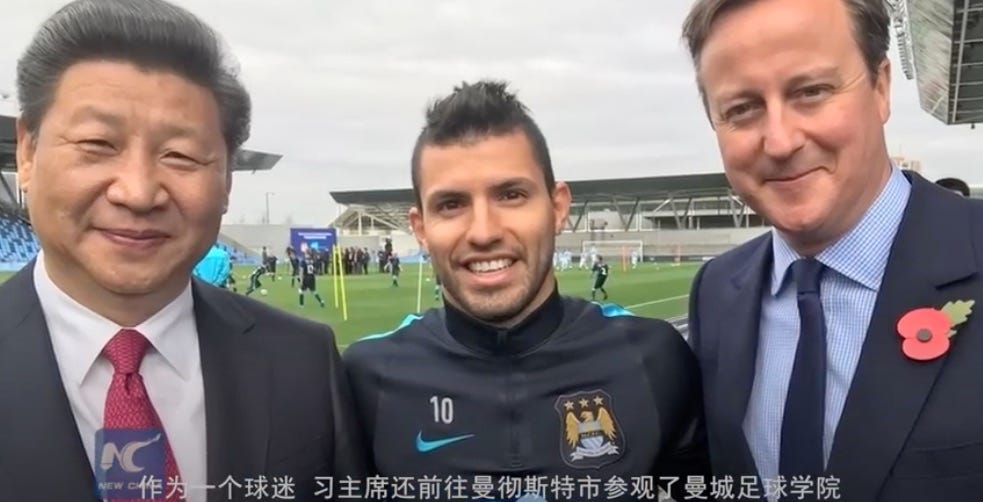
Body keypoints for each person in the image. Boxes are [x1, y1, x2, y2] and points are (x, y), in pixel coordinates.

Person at [0, 1, 365, 500]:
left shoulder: (303, 364)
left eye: (181, 155)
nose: (138, 192)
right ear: (27, 152)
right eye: (97, 144)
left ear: (227, 178)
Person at [343, 80, 709, 501]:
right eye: (451, 204)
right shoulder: (366, 377)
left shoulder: (653, 357)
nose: (484, 232)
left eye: (511, 195)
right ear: (421, 229)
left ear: (557, 208)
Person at [682, 0, 983, 500]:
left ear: (881, 88)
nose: (779, 141)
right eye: (742, 109)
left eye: (811, 92)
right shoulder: (717, 291)